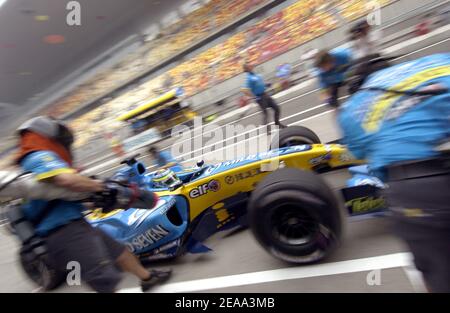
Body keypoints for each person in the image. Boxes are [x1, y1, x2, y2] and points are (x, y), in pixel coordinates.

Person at [15, 116, 171, 293]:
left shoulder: (37, 160)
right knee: (104, 279)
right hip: (64, 231)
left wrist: (98, 201)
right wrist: (102, 188)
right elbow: (67, 180)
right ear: (47, 134)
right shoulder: (37, 156)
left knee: (119, 252)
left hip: (72, 224)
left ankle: (147, 278)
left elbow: (63, 196)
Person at [338, 53, 450, 292]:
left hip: (416, 189)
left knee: (438, 275)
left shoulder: (356, 103)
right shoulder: (434, 60)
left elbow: (358, 150)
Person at [242, 63, 286, 128]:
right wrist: (253, 97)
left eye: (251, 65)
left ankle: (277, 123)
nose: (251, 65)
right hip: (260, 98)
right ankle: (267, 129)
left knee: (277, 108)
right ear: (247, 69)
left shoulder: (256, 75)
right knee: (266, 114)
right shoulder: (249, 78)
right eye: (249, 65)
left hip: (265, 94)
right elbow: (244, 90)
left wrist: (266, 84)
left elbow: (259, 84)